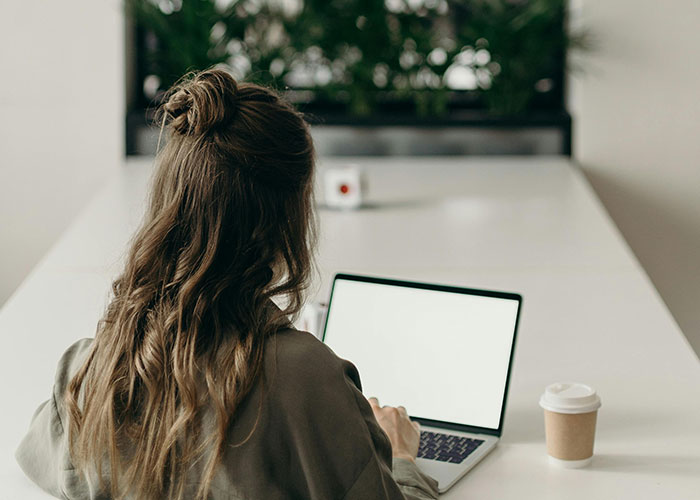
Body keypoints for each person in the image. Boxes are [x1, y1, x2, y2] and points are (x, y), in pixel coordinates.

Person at [16, 68, 439, 500]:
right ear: (287, 222)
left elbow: (41, 457)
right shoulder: (307, 380)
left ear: (167, 206)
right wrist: (403, 458)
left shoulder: (91, 369)